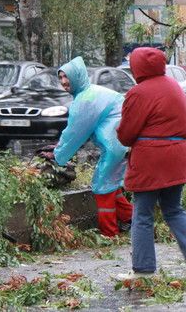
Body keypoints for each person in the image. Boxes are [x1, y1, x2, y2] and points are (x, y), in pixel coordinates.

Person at [115, 47, 186, 280]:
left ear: (137, 67)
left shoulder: (138, 93)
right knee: (173, 208)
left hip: (151, 157)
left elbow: (126, 134)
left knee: (142, 214)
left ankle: (143, 269)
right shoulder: (175, 87)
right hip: (178, 155)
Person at [40, 57, 131, 237]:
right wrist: (59, 146)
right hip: (122, 144)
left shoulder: (85, 99)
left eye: (67, 77)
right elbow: (77, 130)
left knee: (101, 186)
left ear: (78, 77)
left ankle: (109, 233)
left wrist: (57, 155)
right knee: (111, 185)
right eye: (61, 77)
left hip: (115, 145)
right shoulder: (91, 93)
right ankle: (134, 220)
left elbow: (75, 132)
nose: (64, 82)